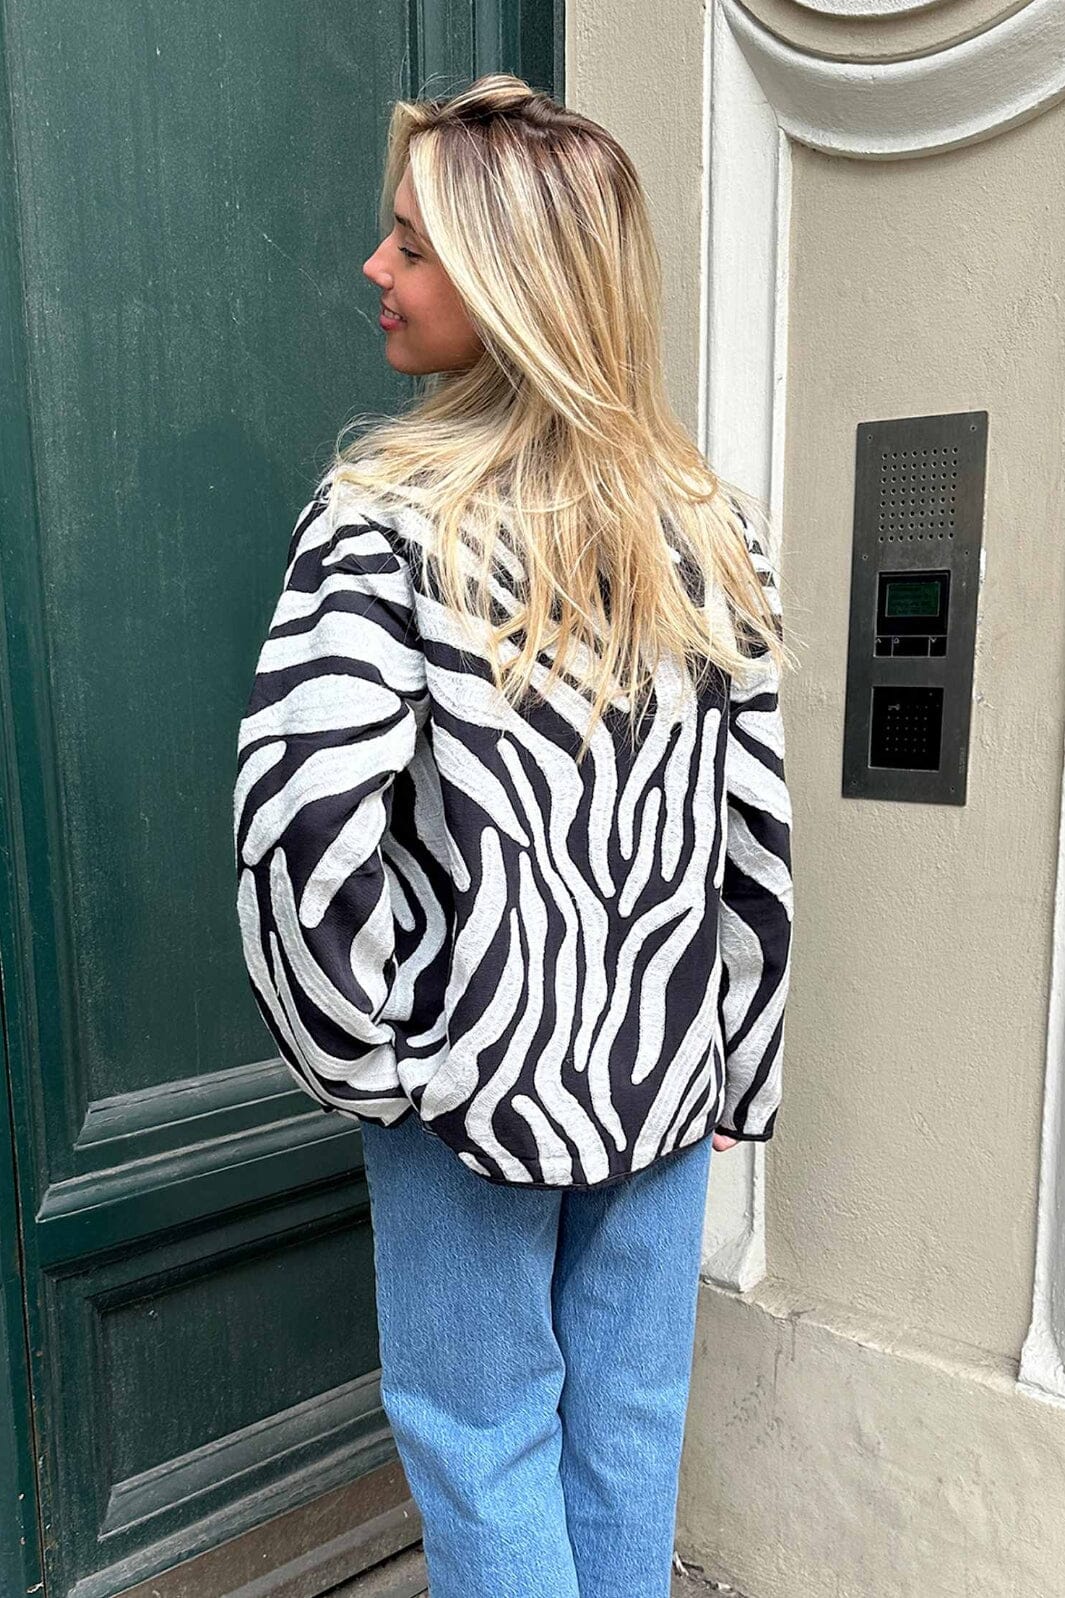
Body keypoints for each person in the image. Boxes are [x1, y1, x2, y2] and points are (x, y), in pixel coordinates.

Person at [233, 72, 794, 1598]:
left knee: (479, 1433)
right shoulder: (706, 525)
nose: (375, 267)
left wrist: (372, 1054)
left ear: (512, 282)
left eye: (412, 243)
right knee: (629, 1418)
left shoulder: (385, 516)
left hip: (467, 1078)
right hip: (660, 1072)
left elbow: (302, 813)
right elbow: (753, 824)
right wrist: (734, 1053)